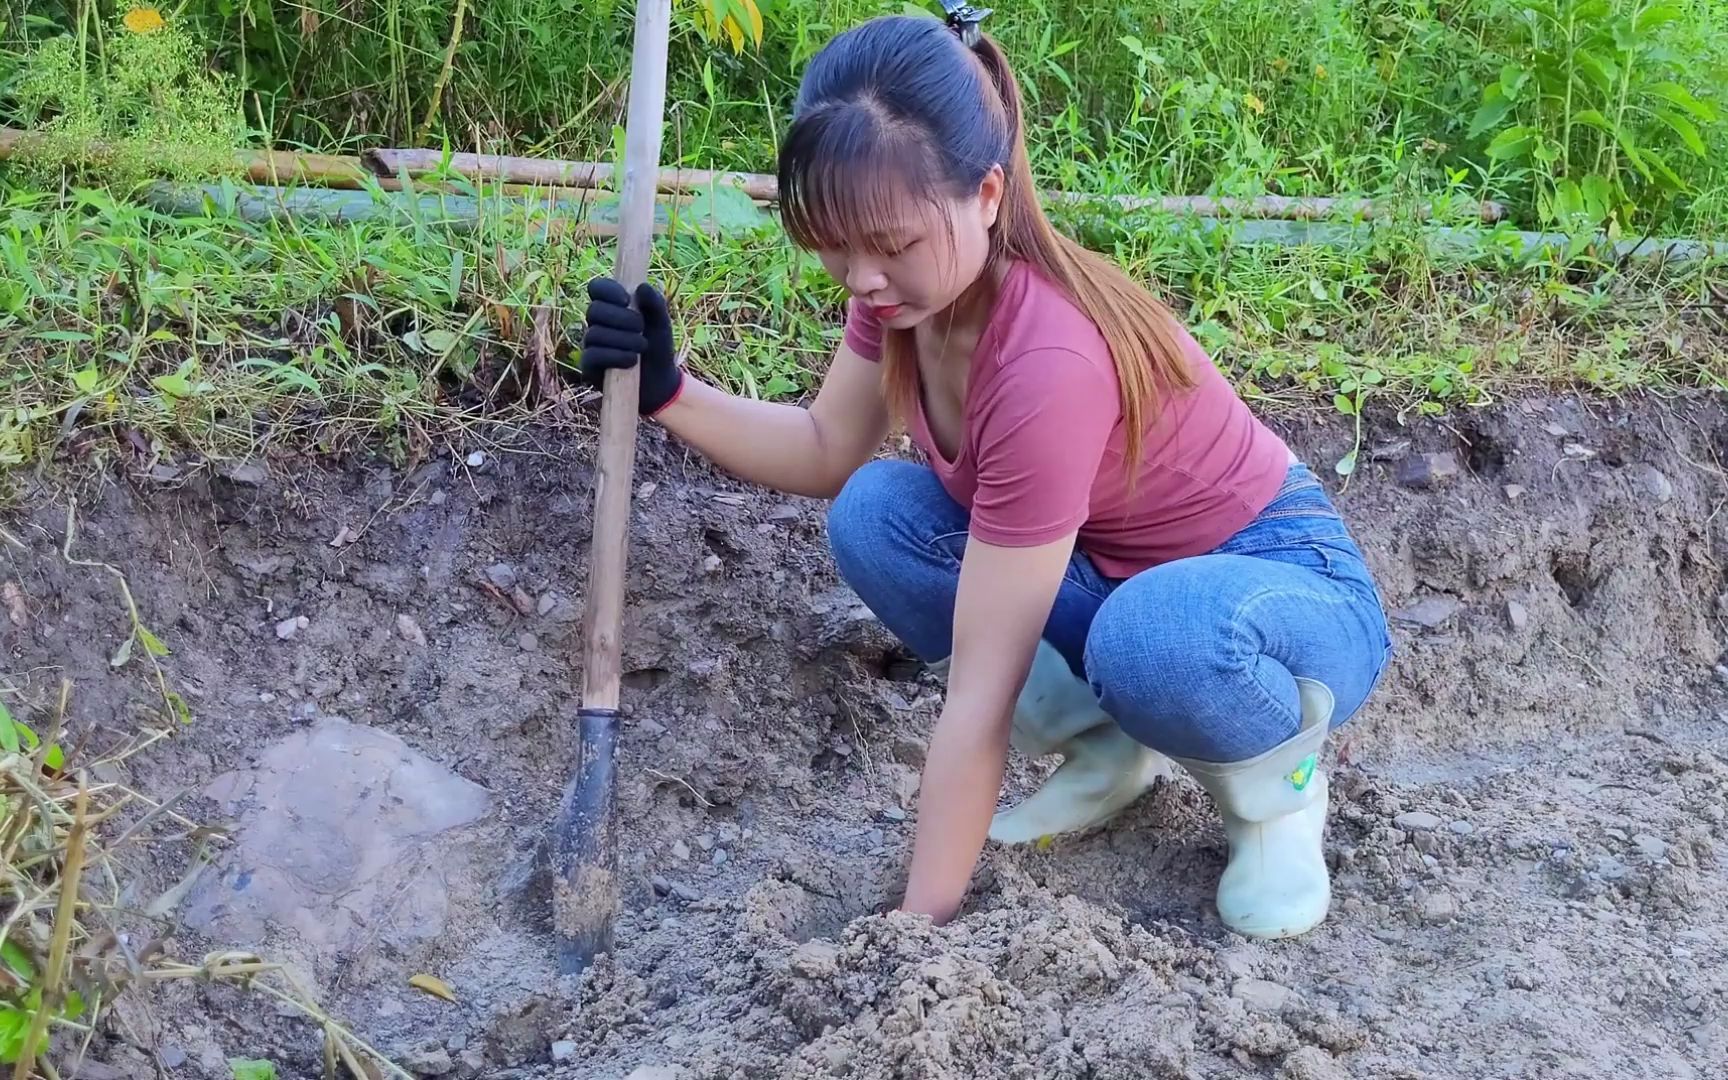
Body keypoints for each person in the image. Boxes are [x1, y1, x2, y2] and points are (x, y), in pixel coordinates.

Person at [573, 9, 1393, 940]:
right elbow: (822, 449)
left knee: (1156, 640)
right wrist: (670, 390)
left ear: (989, 194)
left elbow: (980, 696)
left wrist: (915, 932)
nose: (863, 277)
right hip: (1119, 576)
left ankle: (1279, 795)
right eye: (836, 245)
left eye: (890, 244)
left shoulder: (1046, 364)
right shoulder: (911, 304)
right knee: (878, 513)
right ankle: (1108, 748)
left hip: (1282, 594)